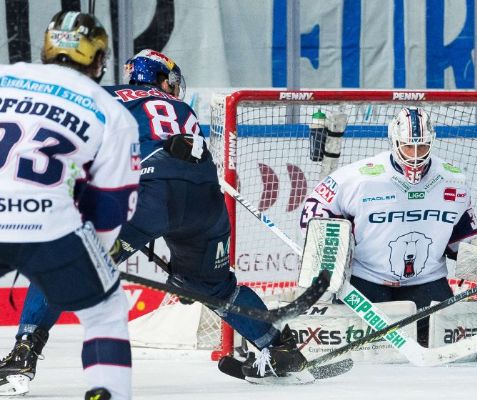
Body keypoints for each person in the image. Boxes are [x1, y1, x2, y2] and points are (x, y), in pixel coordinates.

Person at [0, 49, 311, 388]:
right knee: (214, 285)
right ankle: (280, 348)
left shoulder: (105, 96)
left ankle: (23, 356)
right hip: (205, 200)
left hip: (149, 193)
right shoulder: (183, 108)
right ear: (162, 80)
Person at [0, 11, 139, 399]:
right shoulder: (111, 111)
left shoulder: (4, 77)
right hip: (50, 227)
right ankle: (106, 391)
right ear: (98, 59)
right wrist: (98, 251)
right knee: (105, 312)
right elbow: (111, 208)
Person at [299, 107, 477, 347]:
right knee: (361, 347)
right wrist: (327, 253)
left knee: (441, 343)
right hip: (367, 279)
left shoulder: (452, 179)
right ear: (394, 142)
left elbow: (462, 236)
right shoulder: (359, 177)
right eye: (408, 146)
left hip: (426, 281)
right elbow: (315, 208)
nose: (415, 154)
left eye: (422, 146)